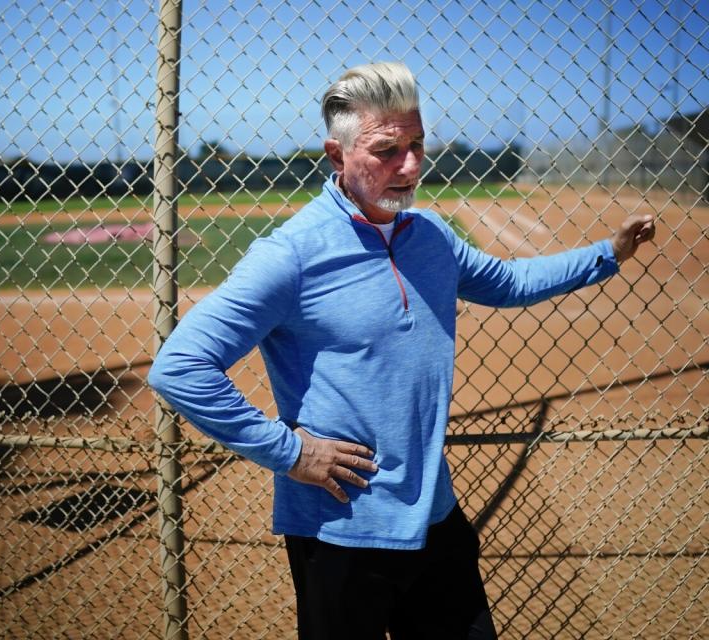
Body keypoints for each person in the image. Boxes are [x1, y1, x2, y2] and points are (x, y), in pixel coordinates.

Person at [147, 61, 655, 639]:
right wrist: (291, 454)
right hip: (339, 532)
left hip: (434, 517)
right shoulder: (290, 254)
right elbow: (181, 367)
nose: (410, 165)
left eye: (416, 144)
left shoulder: (431, 235)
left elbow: (509, 283)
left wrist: (606, 254)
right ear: (336, 157)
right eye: (387, 150)